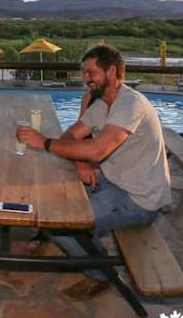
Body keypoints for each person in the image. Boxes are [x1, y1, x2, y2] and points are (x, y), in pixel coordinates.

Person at [16, 45, 171, 301]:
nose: (86, 78)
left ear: (112, 71)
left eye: (91, 72)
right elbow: (70, 136)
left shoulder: (130, 104)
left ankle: (101, 274)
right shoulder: (102, 104)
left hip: (139, 198)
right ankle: (54, 238)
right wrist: (80, 162)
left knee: (63, 224)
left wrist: (44, 142)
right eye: (84, 73)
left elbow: (97, 151)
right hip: (112, 180)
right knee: (54, 189)